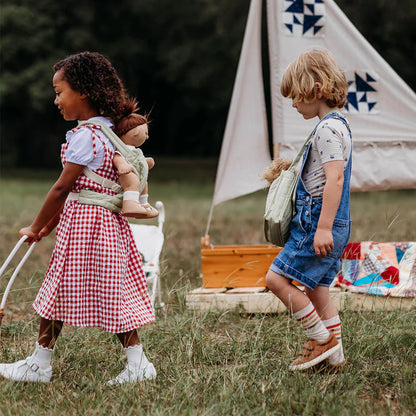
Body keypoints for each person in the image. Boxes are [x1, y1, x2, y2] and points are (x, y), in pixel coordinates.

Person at [0, 51, 156, 385]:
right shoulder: (107, 133)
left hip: (87, 228)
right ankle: (136, 361)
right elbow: (81, 191)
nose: (55, 100)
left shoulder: (86, 136)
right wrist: (45, 228)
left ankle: (41, 364)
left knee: (58, 287)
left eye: (59, 92)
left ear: (82, 92)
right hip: (104, 225)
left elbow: (62, 189)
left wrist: (36, 225)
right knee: (112, 290)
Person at [265, 49, 352, 371]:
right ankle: (336, 357)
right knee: (317, 289)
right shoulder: (337, 125)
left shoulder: (328, 129)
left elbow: (335, 178)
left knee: (275, 280)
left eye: (295, 97)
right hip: (331, 221)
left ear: (315, 89)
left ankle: (320, 338)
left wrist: (323, 228)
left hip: (318, 222)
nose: (292, 104)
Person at [113, 98, 158, 219]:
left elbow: (138, 161)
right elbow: (117, 157)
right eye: (145, 133)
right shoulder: (123, 148)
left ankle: (143, 203)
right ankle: (130, 203)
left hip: (135, 172)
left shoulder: (136, 151)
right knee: (133, 182)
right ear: (135, 132)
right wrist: (122, 165)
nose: (146, 137)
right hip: (125, 174)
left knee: (143, 183)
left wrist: (146, 162)